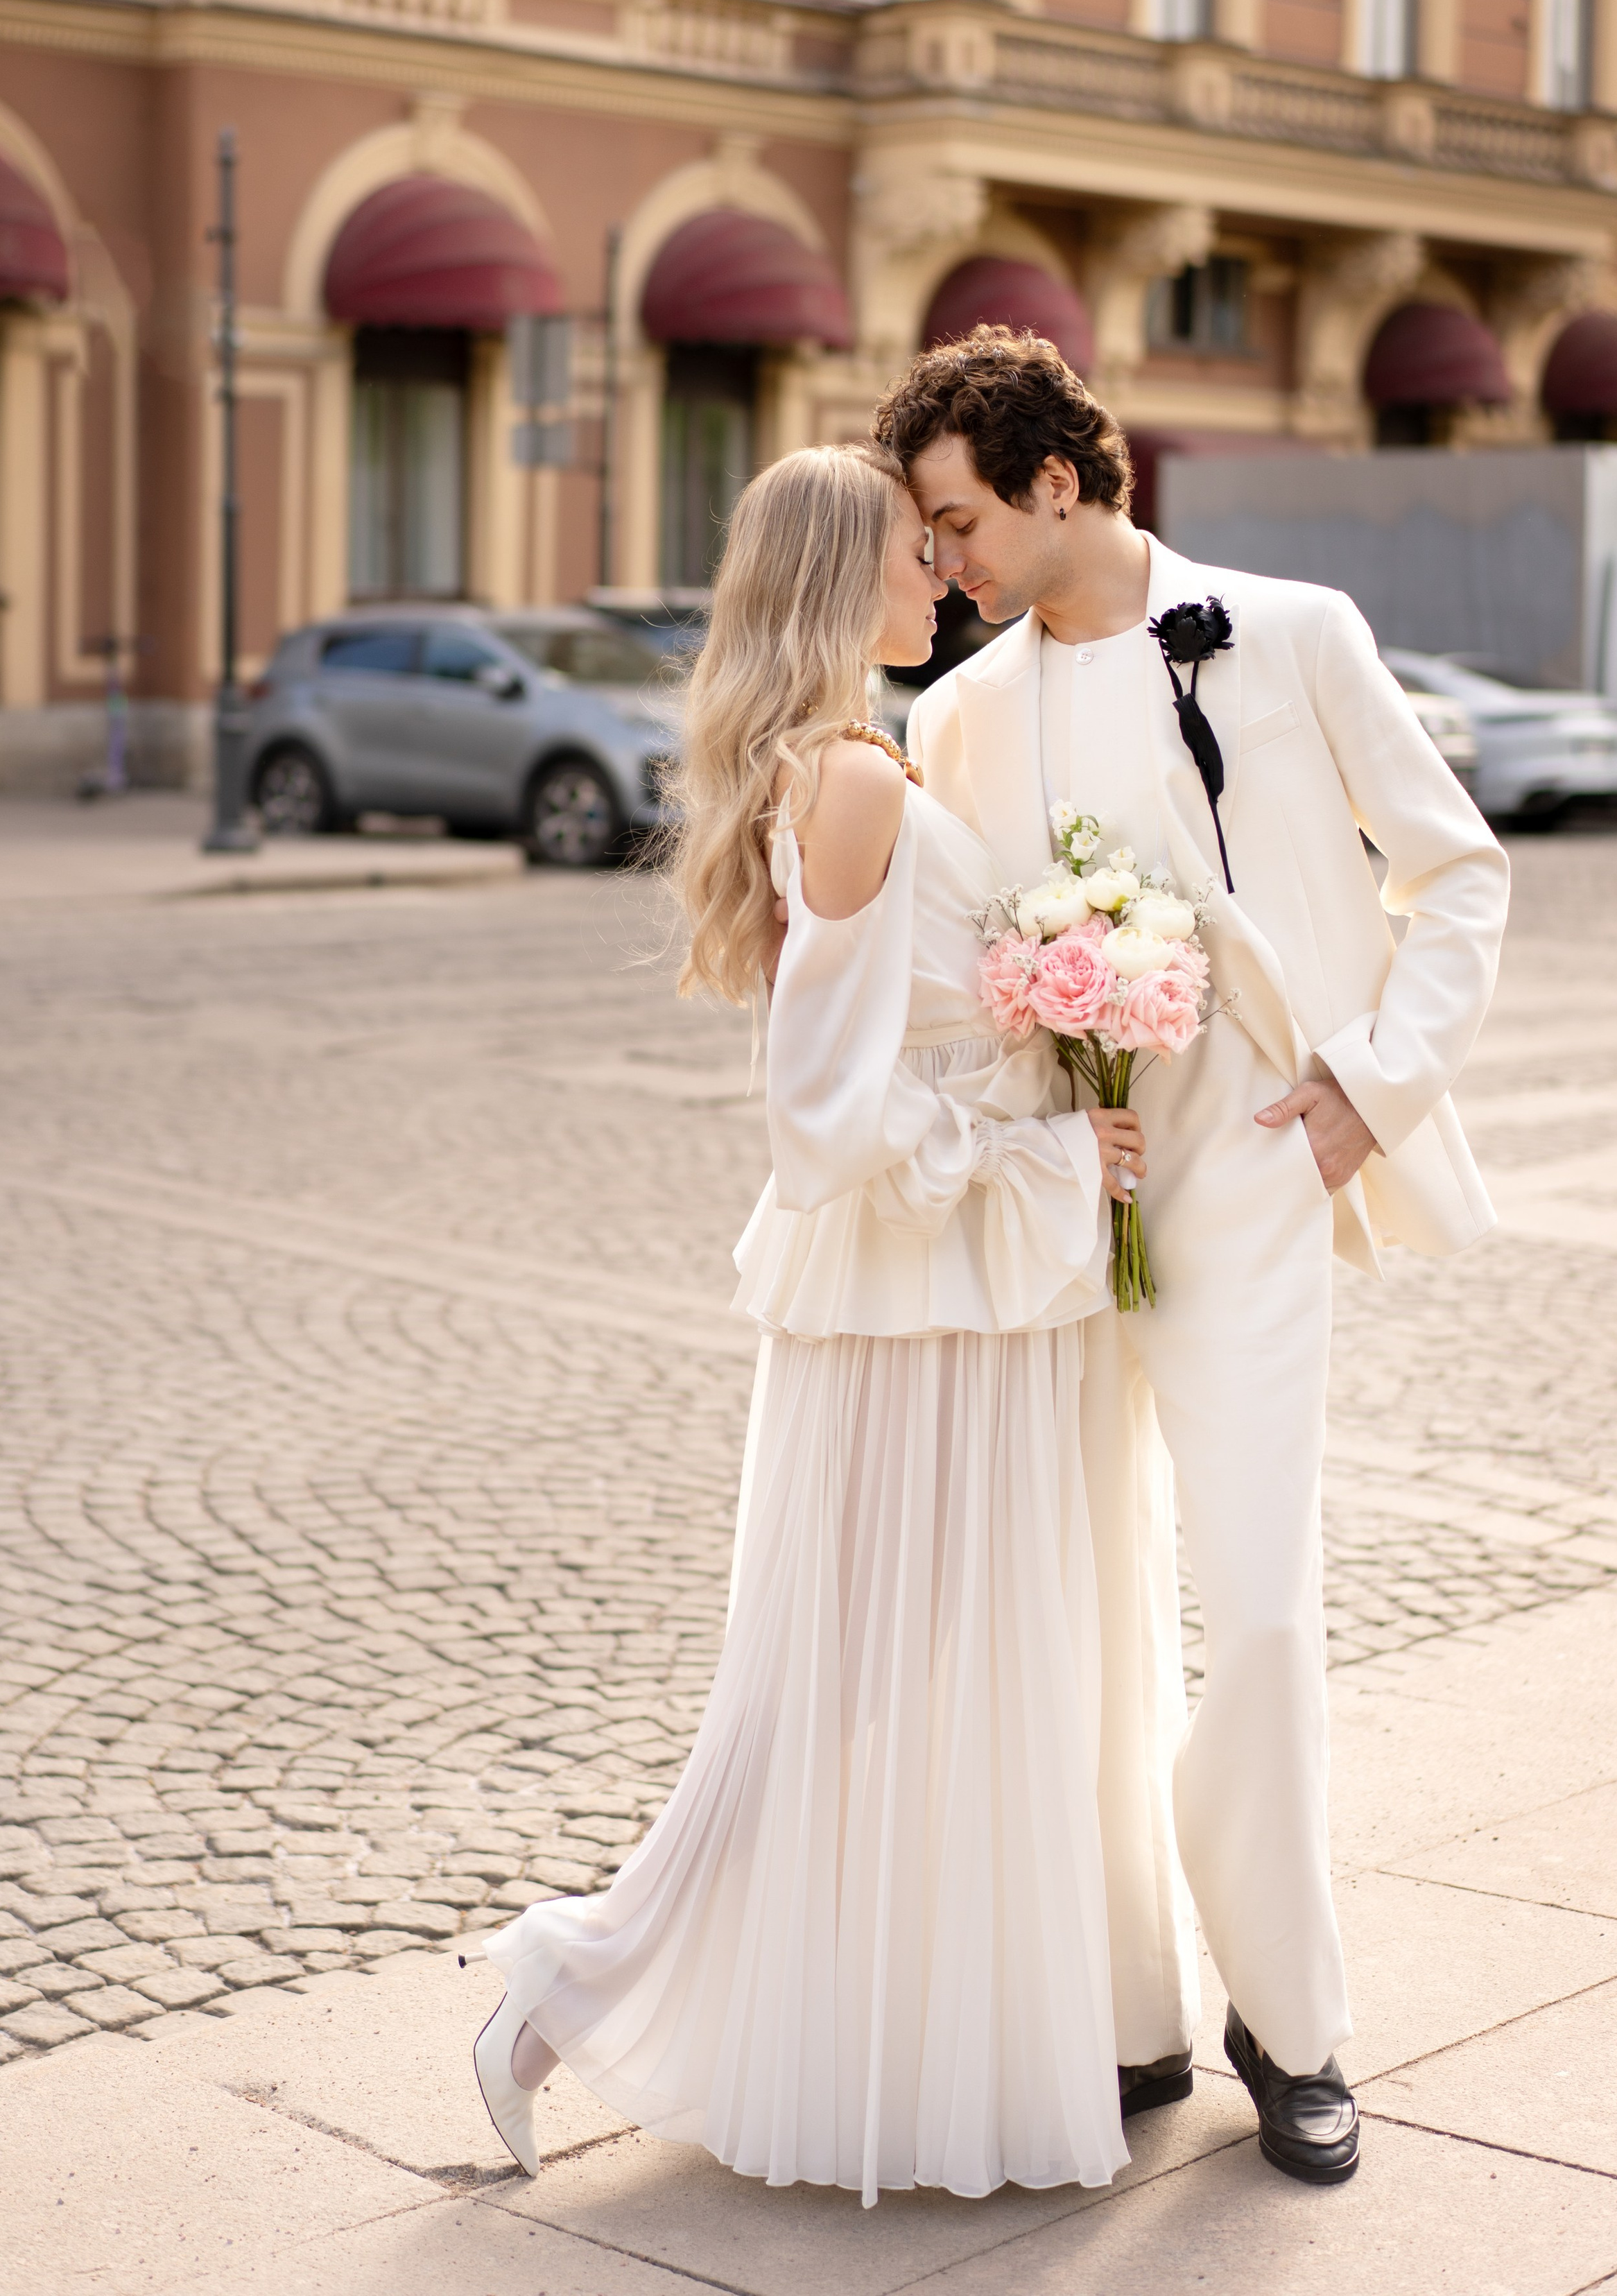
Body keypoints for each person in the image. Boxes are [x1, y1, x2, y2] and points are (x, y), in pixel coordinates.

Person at [474, 440, 1150, 2206]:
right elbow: (821, 1115)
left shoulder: (854, 760)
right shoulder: (848, 777)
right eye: (912, 551)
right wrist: (1047, 1144)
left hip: (943, 1303)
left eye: (943, 545)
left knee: (902, 1688)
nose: (939, 573)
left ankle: (861, 2035)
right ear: (841, 574)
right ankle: (574, 1972)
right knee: (851, 1689)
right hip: (917, 1306)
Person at [877, 329, 1509, 2187]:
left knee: (1256, 1615)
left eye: (959, 518)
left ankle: (1290, 2025)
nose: (947, 564)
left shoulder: (1294, 633)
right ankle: (1127, 2009)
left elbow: (1457, 871)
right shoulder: (961, 717)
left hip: (1244, 1183)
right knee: (1067, 1619)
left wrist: (1367, 1089)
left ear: (1057, 479)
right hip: (1068, 1203)